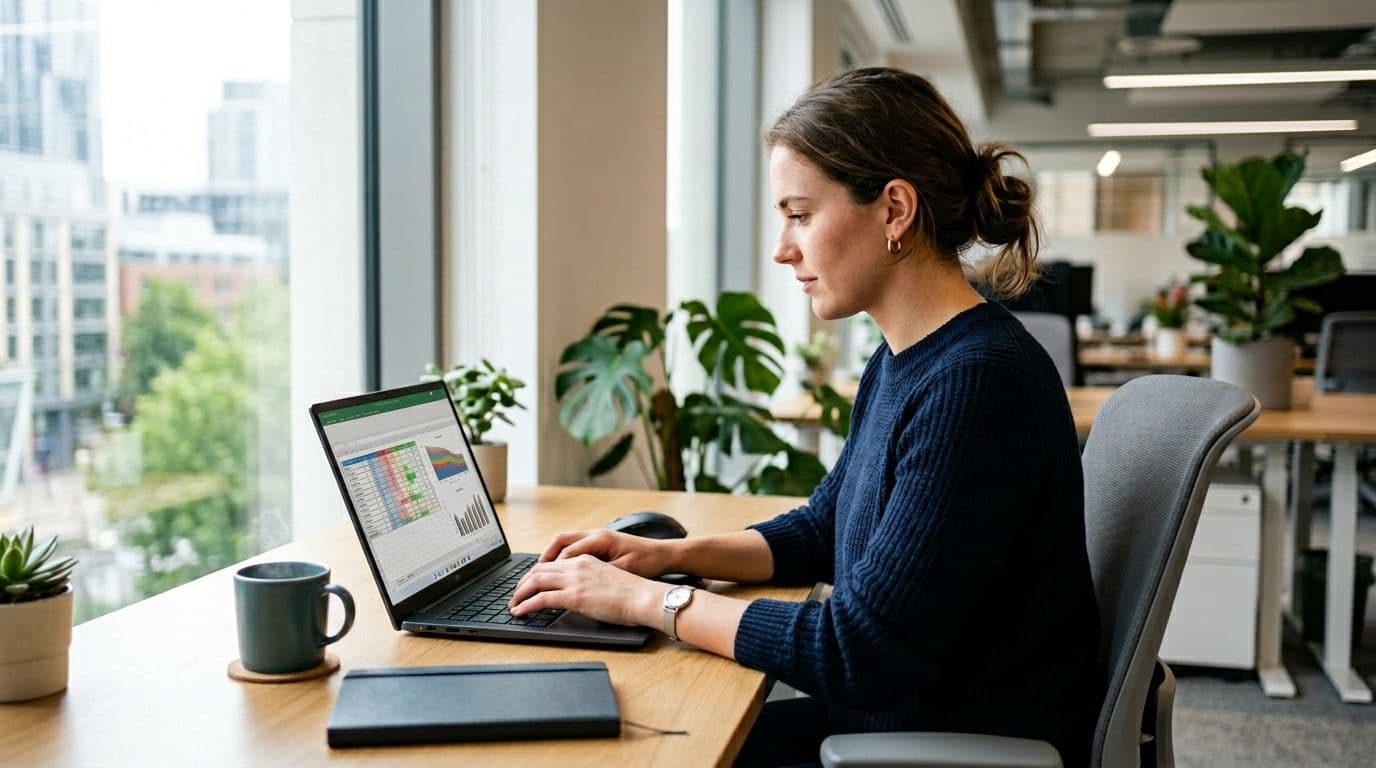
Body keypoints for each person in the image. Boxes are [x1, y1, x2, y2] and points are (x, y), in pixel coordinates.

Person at [509, 67, 1101, 767]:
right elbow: (823, 529)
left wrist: (647, 603)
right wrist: (667, 558)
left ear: (894, 211)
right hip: (900, 722)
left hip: (943, 744)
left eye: (799, 213)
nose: (782, 248)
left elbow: (860, 653)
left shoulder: (977, 384)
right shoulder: (906, 358)